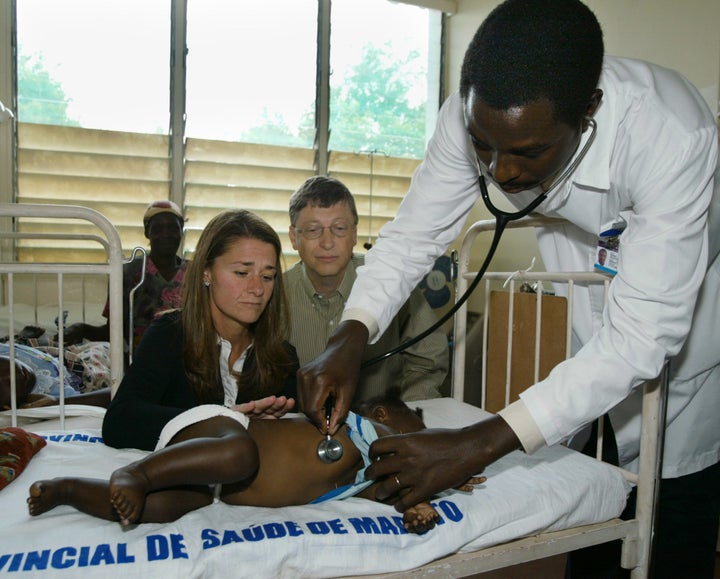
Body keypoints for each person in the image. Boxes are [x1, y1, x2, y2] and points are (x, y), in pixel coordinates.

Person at [296, 1, 720, 577]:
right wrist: (352, 332)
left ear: (588, 109)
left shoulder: (671, 134)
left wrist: (475, 443)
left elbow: (641, 338)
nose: (500, 173)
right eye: (483, 147)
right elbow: (411, 239)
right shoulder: (472, 116)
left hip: (682, 327)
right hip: (592, 305)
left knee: (670, 525)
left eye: (528, 152)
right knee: (592, 513)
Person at [27, 388, 484, 533]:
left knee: (160, 510)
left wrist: (419, 500)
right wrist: (451, 454)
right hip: (222, 433)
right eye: (417, 425)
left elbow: (383, 490)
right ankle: (136, 471)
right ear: (384, 413)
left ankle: (67, 489)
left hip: (217, 485)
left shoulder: (364, 473)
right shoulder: (368, 428)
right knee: (239, 454)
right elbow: (403, 455)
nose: (420, 437)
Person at [101, 209, 299, 452]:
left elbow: (297, 434)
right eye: (242, 273)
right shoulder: (170, 335)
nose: (257, 288)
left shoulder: (281, 356)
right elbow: (119, 422)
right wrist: (219, 421)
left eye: (268, 276)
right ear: (207, 273)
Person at [285, 175, 449, 404]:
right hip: (300, 427)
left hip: (382, 425)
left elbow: (429, 355)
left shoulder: (391, 279)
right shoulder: (274, 295)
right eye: (313, 230)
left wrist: (407, 409)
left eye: (339, 228)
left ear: (354, 234)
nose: (327, 242)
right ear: (294, 237)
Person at [62, 200, 189, 356]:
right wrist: (80, 328)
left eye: (172, 228)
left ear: (181, 231)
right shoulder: (128, 273)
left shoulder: (196, 273)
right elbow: (112, 332)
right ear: (147, 233)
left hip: (188, 360)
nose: (166, 234)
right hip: (141, 362)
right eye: (158, 228)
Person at [0, 342, 110, 410]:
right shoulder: (43, 399)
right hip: (86, 374)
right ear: (7, 407)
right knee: (104, 349)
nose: (9, 375)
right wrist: (56, 402)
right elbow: (114, 394)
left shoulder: (5, 351)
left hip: (59, 352)